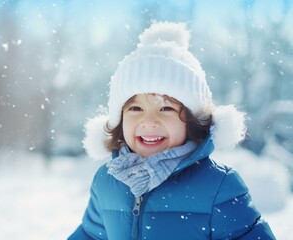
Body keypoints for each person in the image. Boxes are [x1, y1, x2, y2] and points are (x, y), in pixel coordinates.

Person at [68, 22, 275, 239]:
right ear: (120, 120)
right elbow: (91, 235)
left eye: (166, 108)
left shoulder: (219, 185)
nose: (149, 121)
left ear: (192, 121)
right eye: (136, 108)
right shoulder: (107, 180)